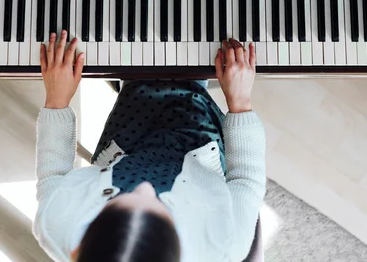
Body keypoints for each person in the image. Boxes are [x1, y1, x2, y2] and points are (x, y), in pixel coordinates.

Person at [32, 30, 266, 262]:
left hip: (126, 144)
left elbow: (53, 175)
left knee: (136, 86)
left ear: (77, 250)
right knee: (191, 87)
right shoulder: (224, 247)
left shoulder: (55, 228)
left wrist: (57, 100)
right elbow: (245, 179)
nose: (145, 187)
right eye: (160, 207)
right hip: (198, 146)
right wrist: (240, 101)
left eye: (115, 201)